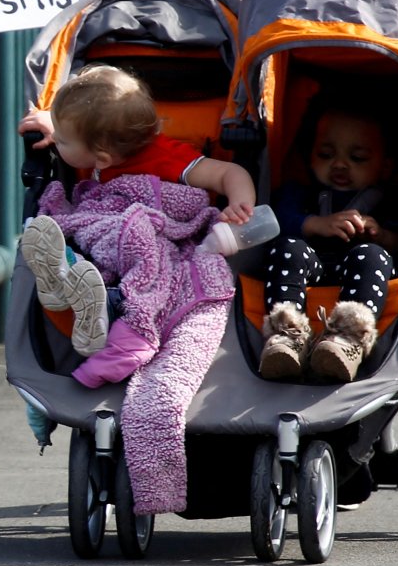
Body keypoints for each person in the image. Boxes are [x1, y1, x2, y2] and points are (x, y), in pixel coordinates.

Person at [16, 65, 253, 514]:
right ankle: (88, 294)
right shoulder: (98, 150)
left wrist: (241, 202)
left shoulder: (168, 159)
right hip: (110, 238)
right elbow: (77, 136)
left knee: (139, 250)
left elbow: (227, 174)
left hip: (156, 235)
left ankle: (108, 308)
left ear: (99, 157)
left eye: (62, 142)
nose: (57, 147)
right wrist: (52, 121)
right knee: (97, 238)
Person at [258, 95, 398, 383]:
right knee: (287, 247)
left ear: (385, 165)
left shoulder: (391, 200)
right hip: (308, 272)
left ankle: (348, 339)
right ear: (309, 156)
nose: (340, 165)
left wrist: (381, 234)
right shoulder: (299, 192)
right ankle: (286, 335)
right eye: (325, 154)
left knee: (371, 254)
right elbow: (274, 223)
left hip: (360, 277)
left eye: (357, 158)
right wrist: (315, 224)